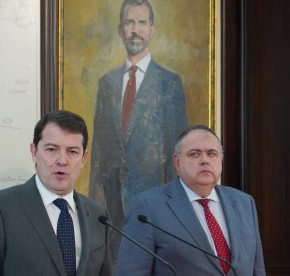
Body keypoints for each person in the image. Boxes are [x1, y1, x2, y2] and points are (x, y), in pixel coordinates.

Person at [89, 0, 188, 264]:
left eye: (142, 22)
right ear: (121, 29)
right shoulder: (107, 83)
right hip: (111, 211)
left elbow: (178, 154)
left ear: (152, 30)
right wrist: (94, 209)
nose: (135, 29)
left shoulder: (169, 84)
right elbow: (98, 153)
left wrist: (173, 211)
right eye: (129, 22)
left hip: (154, 208)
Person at [0, 110, 111, 276]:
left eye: (72, 152)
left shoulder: (99, 216)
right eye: (52, 149)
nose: (62, 160)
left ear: (83, 158)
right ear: (34, 152)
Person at [115, 125, 266, 275]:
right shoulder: (147, 207)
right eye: (194, 154)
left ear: (221, 159)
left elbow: (257, 270)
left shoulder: (244, 203)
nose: (204, 160)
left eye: (212, 154)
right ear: (177, 162)